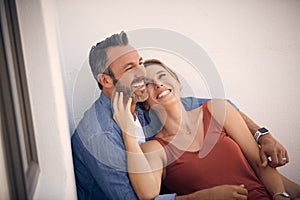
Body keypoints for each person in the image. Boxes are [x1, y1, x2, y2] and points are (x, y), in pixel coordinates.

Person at [71, 31, 290, 200]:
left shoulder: (139, 98)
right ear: (106, 81)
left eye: (140, 62)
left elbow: (213, 106)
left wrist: (262, 135)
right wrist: (204, 196)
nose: (141, 73)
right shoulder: (99, 135)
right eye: (130, 68)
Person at [113, 59, 300, 200]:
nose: (158, 84)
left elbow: (261, 164)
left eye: (162, 76)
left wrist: (280, 195)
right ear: (144, 102)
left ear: (178, 83)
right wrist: (126, 129)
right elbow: (147, 194)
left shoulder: (218, 110)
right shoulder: (155, 149)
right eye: (147, 84)